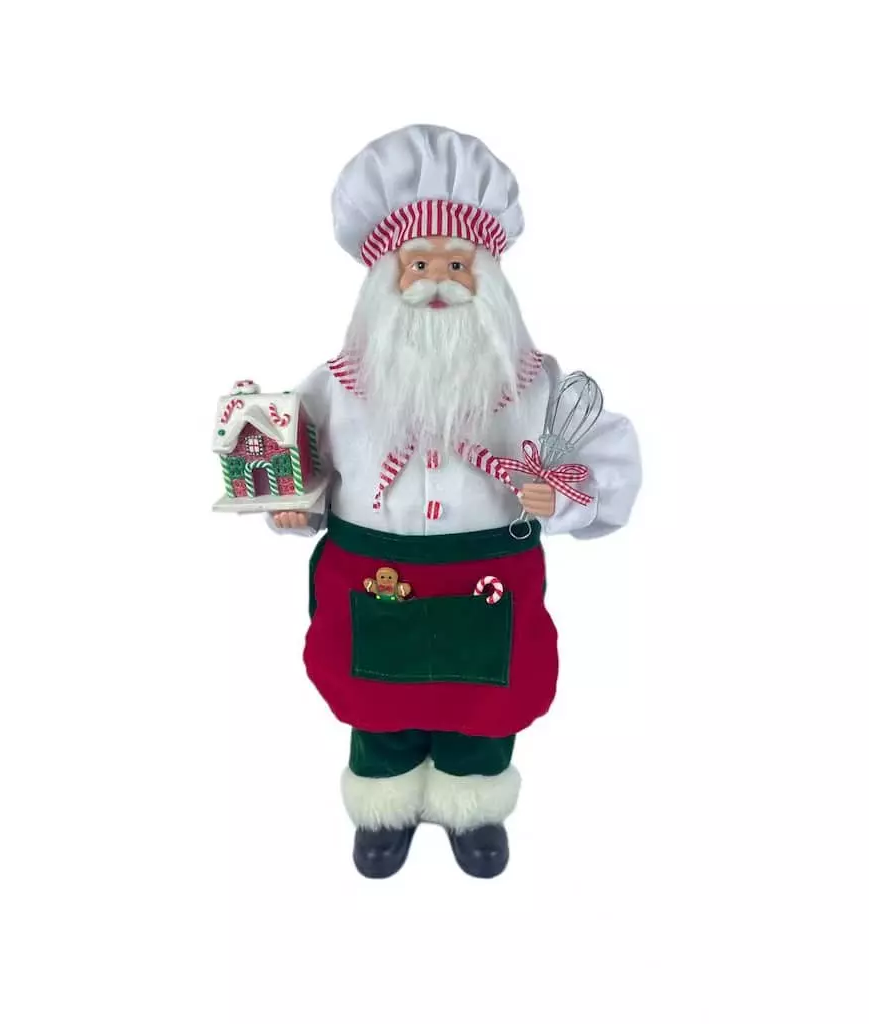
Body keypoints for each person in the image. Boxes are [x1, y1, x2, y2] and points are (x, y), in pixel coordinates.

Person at [268, 125, 641, 879]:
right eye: (419, 263)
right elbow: (295, 456)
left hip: (489, 586)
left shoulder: (535, 384)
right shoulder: (339, 385)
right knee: (378, 710)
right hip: (374, 582)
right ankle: (384, 807)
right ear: (385, 281)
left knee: (485, 711)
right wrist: (294, 506)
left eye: (457, 264)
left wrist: (562, 497)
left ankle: (473, 807)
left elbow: (604, 463)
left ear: (489, 281)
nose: (436, 281)